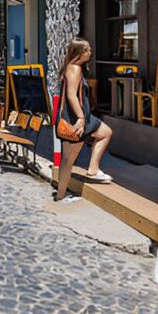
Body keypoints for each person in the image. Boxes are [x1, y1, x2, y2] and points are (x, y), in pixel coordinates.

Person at [55, 37, 114, 203]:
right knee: (68, 160)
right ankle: (61, 194)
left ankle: (92, 170)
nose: (90, 52)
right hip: (76, 120)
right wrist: (81, 118)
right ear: (79, 53)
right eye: (87, 49)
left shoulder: (72, 68)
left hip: (81, 118)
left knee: (105, 133)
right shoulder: (74, 69)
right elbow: (71, 95)